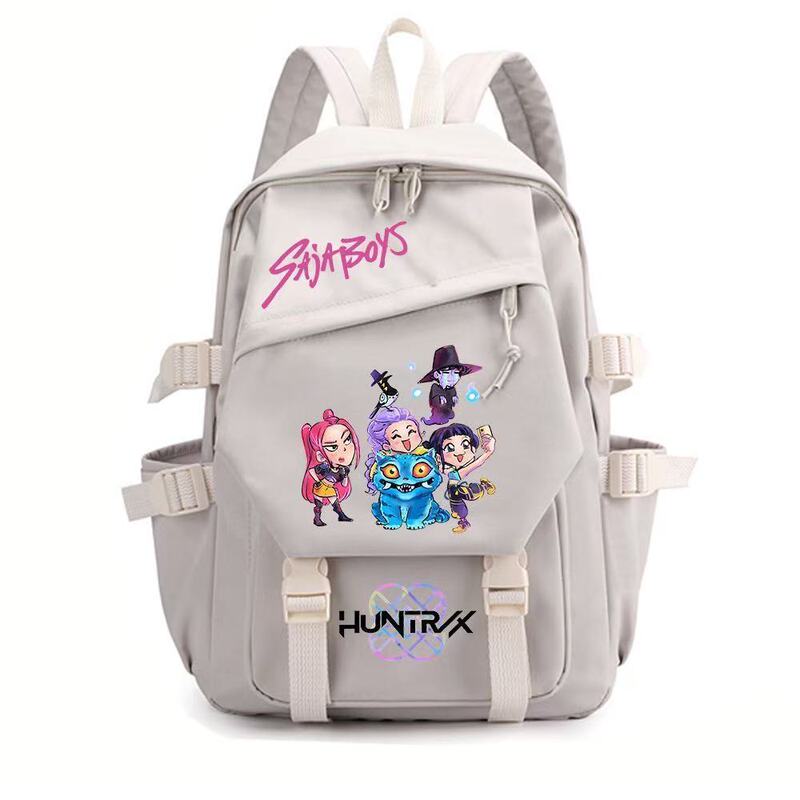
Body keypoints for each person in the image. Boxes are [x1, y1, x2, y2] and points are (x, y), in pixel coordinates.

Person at [427, 423, 496, 533]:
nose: (459, 452)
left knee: (460, 493)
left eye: (465, 445)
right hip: (453, 487)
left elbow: (478, 462)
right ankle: (463, 521)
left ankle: (484, 487)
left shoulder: (460, 470)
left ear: (473, 448)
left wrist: (488, 452)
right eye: (450, 448)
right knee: (455, 499)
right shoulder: (442, 465)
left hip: (456, 484)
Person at [300, 409, 360, 526]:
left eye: (347, 440)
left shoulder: (342, 470)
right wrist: (317, 481)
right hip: (321, 487)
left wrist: (345, 476)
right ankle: (317, 519)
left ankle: (341, 516)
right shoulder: (324, 467)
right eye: (333, 447)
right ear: (320, 455)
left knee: (335, 503)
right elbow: (312, 471)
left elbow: (343, 484)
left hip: (330, 488)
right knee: (319, 505)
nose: (344, 449)